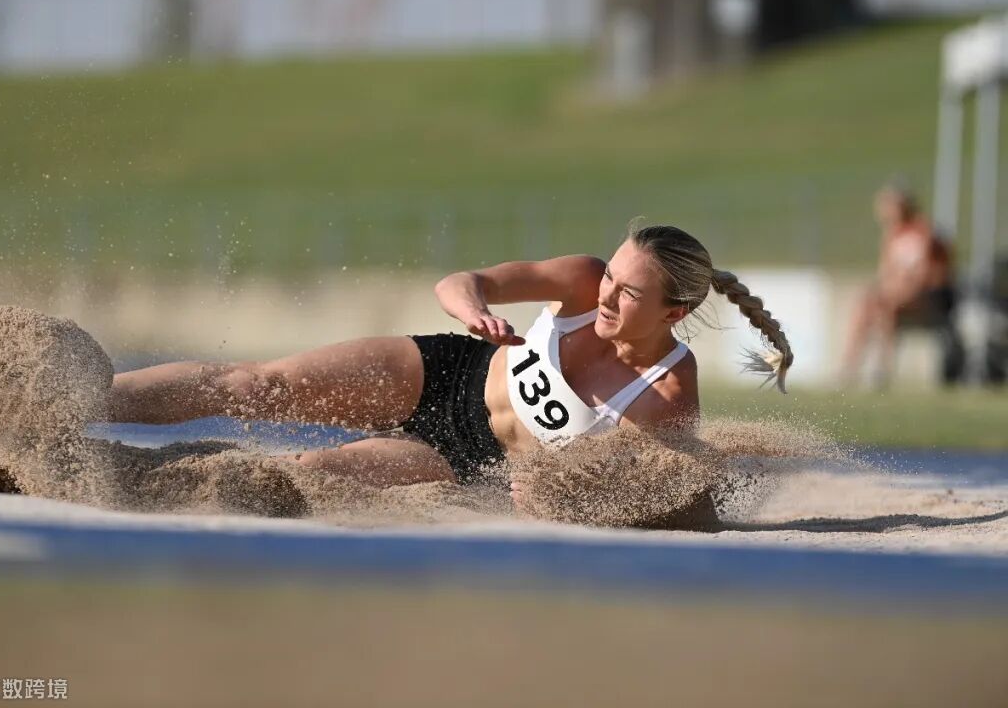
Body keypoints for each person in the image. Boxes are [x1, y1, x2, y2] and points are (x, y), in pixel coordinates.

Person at [110, 220, 794, 506]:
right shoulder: (584, 281)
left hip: (467, 462)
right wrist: (474, 312)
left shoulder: (667, 392)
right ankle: (80, 393)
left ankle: (128, 483)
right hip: (444, 372)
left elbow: (665, 497)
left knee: (304, 473)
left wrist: (566, 499)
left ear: (673, 313)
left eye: (629, 294)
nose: (608, 296)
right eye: (612, 277)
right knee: (256, 385)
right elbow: (463, 282)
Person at [840, 185, 963, 387]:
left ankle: (882, 368)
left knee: (886, 304)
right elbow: (885, 274)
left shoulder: (923, 231)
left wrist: (896, 288)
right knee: (867, 304)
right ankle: (850, 367)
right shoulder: (892, 234)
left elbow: (927, 274)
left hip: (930, 298)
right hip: (899, 297)